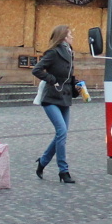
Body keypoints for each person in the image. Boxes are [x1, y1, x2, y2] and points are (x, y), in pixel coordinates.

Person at [32, 24, 81, 183]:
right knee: (61, 131)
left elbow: (68, 75)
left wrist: (76, 85)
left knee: (62, 133)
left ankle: (43, 161)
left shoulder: (69, 52)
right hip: (51, 97)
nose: (72, 36)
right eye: (70, 34)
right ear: (64, 37)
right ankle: (63, 170)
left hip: (64, 97)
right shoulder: (54, 52)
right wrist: (52, 80)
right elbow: (37, 69)